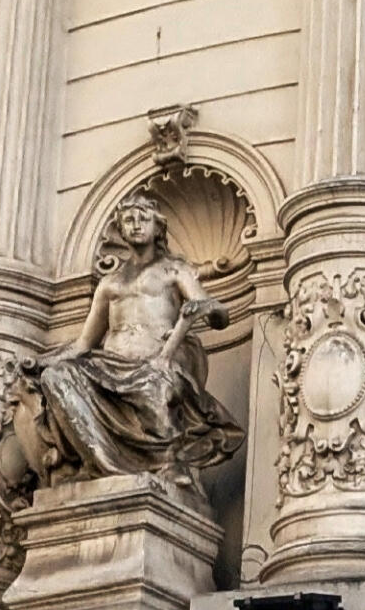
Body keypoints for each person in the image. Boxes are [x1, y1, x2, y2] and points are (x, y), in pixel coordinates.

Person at [20, 193, 238, 488]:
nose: (136, 224)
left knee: (155, 386)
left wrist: (210, 311)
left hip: (156, 362)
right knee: (56, 377)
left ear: (158, 227)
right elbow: (84, 344)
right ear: (120, 230)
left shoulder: (174, 272)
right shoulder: (110, 283)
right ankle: (100, 460)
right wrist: (43, 362)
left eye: (143, 219)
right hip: (108, 367)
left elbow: (212, 309)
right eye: (128, 220)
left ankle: (166, 461)